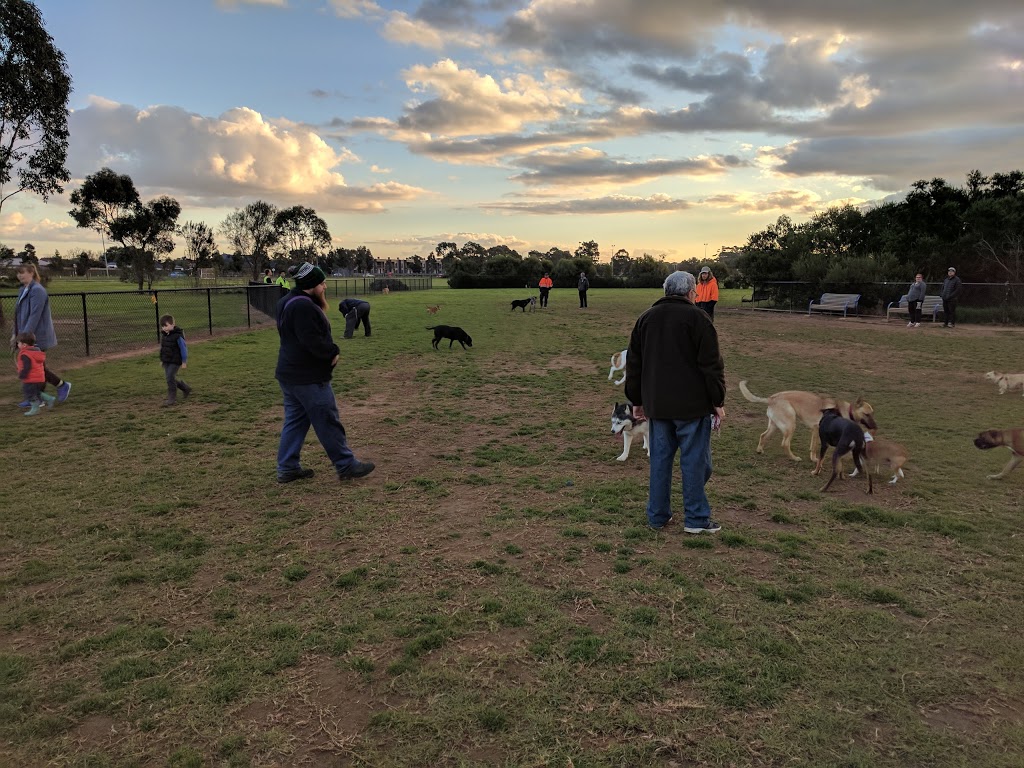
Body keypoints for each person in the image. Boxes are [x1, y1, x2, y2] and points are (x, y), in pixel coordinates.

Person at [625, 271, 726, 534]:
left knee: (660, 461)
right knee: (695, 463)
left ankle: (657, 516)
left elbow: (634, 365)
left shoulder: (646, 319)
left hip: (658, 406)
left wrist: (636, 400)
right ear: (691, 293)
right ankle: (696, 519)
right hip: (692, 407)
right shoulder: (698, 318)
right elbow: (711, 365)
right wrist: (718, 400)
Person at [275, 262, 374, 483]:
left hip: (289, 374)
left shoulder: (285, 302)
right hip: (308, 377)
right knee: (327, 420)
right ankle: (346, 464)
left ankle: (287, 467)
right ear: (311, 285)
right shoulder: (304, 307)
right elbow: (312, 341)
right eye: (321, 283)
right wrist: (332, 352)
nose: (325, 287)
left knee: (296, 421)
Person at [11, 263, 71, 406]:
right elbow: (19, 316)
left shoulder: (37, 290)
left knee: (35, 367)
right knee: (36, 367)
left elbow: (34, 315)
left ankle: (55, 388)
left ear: (31, 273)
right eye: (18, 273)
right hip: (27, 335)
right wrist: (15, 334)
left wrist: (24, 337)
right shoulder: (23, 290)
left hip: (36, 336)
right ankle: (39, 396)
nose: (20, 275)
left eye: (22, 272)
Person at [15, 331, 56, 417]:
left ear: (24, 345)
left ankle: (35, 408)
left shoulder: (25, 354)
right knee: (36, 392)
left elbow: (27, 367)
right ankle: (49, 399)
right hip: (40, 378)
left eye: (18, 343)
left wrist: (22, 375)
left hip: (31, 378)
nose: (17, 345)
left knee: (29, 393)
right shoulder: (36, 352)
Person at [159, 314, 192, 407]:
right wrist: (162, 359)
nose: (164, 328)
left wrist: (184, 361)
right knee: (170, 378)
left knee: (170, 378)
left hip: (175, 361)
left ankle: (171, 399)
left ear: (173, 324)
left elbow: (183, 348)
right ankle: (185, 388)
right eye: (163, 326)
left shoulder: (178, 336)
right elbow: (163, 348)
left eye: (166, 325)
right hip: (167, 361)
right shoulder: (164, 336)